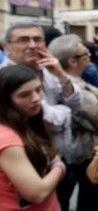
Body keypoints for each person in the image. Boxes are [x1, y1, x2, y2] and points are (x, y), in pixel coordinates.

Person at [0, 23, 81, 181]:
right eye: (24, 40)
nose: (32, 46)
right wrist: (65, 111)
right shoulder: (4, 78)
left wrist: (62, 75)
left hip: (61, 156)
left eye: (37, 40)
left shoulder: (50, 69)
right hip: (29, 164)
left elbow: (76, 104)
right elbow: (48, 120)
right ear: (7, 47)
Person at [48, 35, 98, 211]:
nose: (90, 55)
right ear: (72, 61)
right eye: (85, 52)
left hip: (85, 156)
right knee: (94, 201)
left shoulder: (71, 84)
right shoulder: (75, 90)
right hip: (89, 157)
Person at [0, 65, 65, 210]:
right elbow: (37, 193)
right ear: (4, 100)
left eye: (38, 90)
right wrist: (59, 166)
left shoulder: (27, 119)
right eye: (24, 95)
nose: (36, 99)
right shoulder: (6, 137)